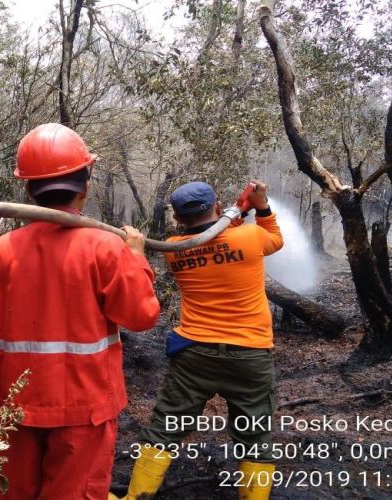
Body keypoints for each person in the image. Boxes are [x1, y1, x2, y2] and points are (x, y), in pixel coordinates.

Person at [0, 123, 161, 499]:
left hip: (15, 409)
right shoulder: (107, 247)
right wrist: (137, 258)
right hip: (84, 411)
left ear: (28, 190)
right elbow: (141, 316)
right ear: (86, 186)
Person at [116, 180, 283, 500]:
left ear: (178, 219)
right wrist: (260, 206)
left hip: (194, 355)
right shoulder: (251, 235)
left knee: (165, 427)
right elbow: (274, 238)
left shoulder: (175, 250)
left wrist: (235, 212)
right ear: (217, 206)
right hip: (250, 354)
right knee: (255, 436)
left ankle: (136, 496)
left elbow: (211, 241)